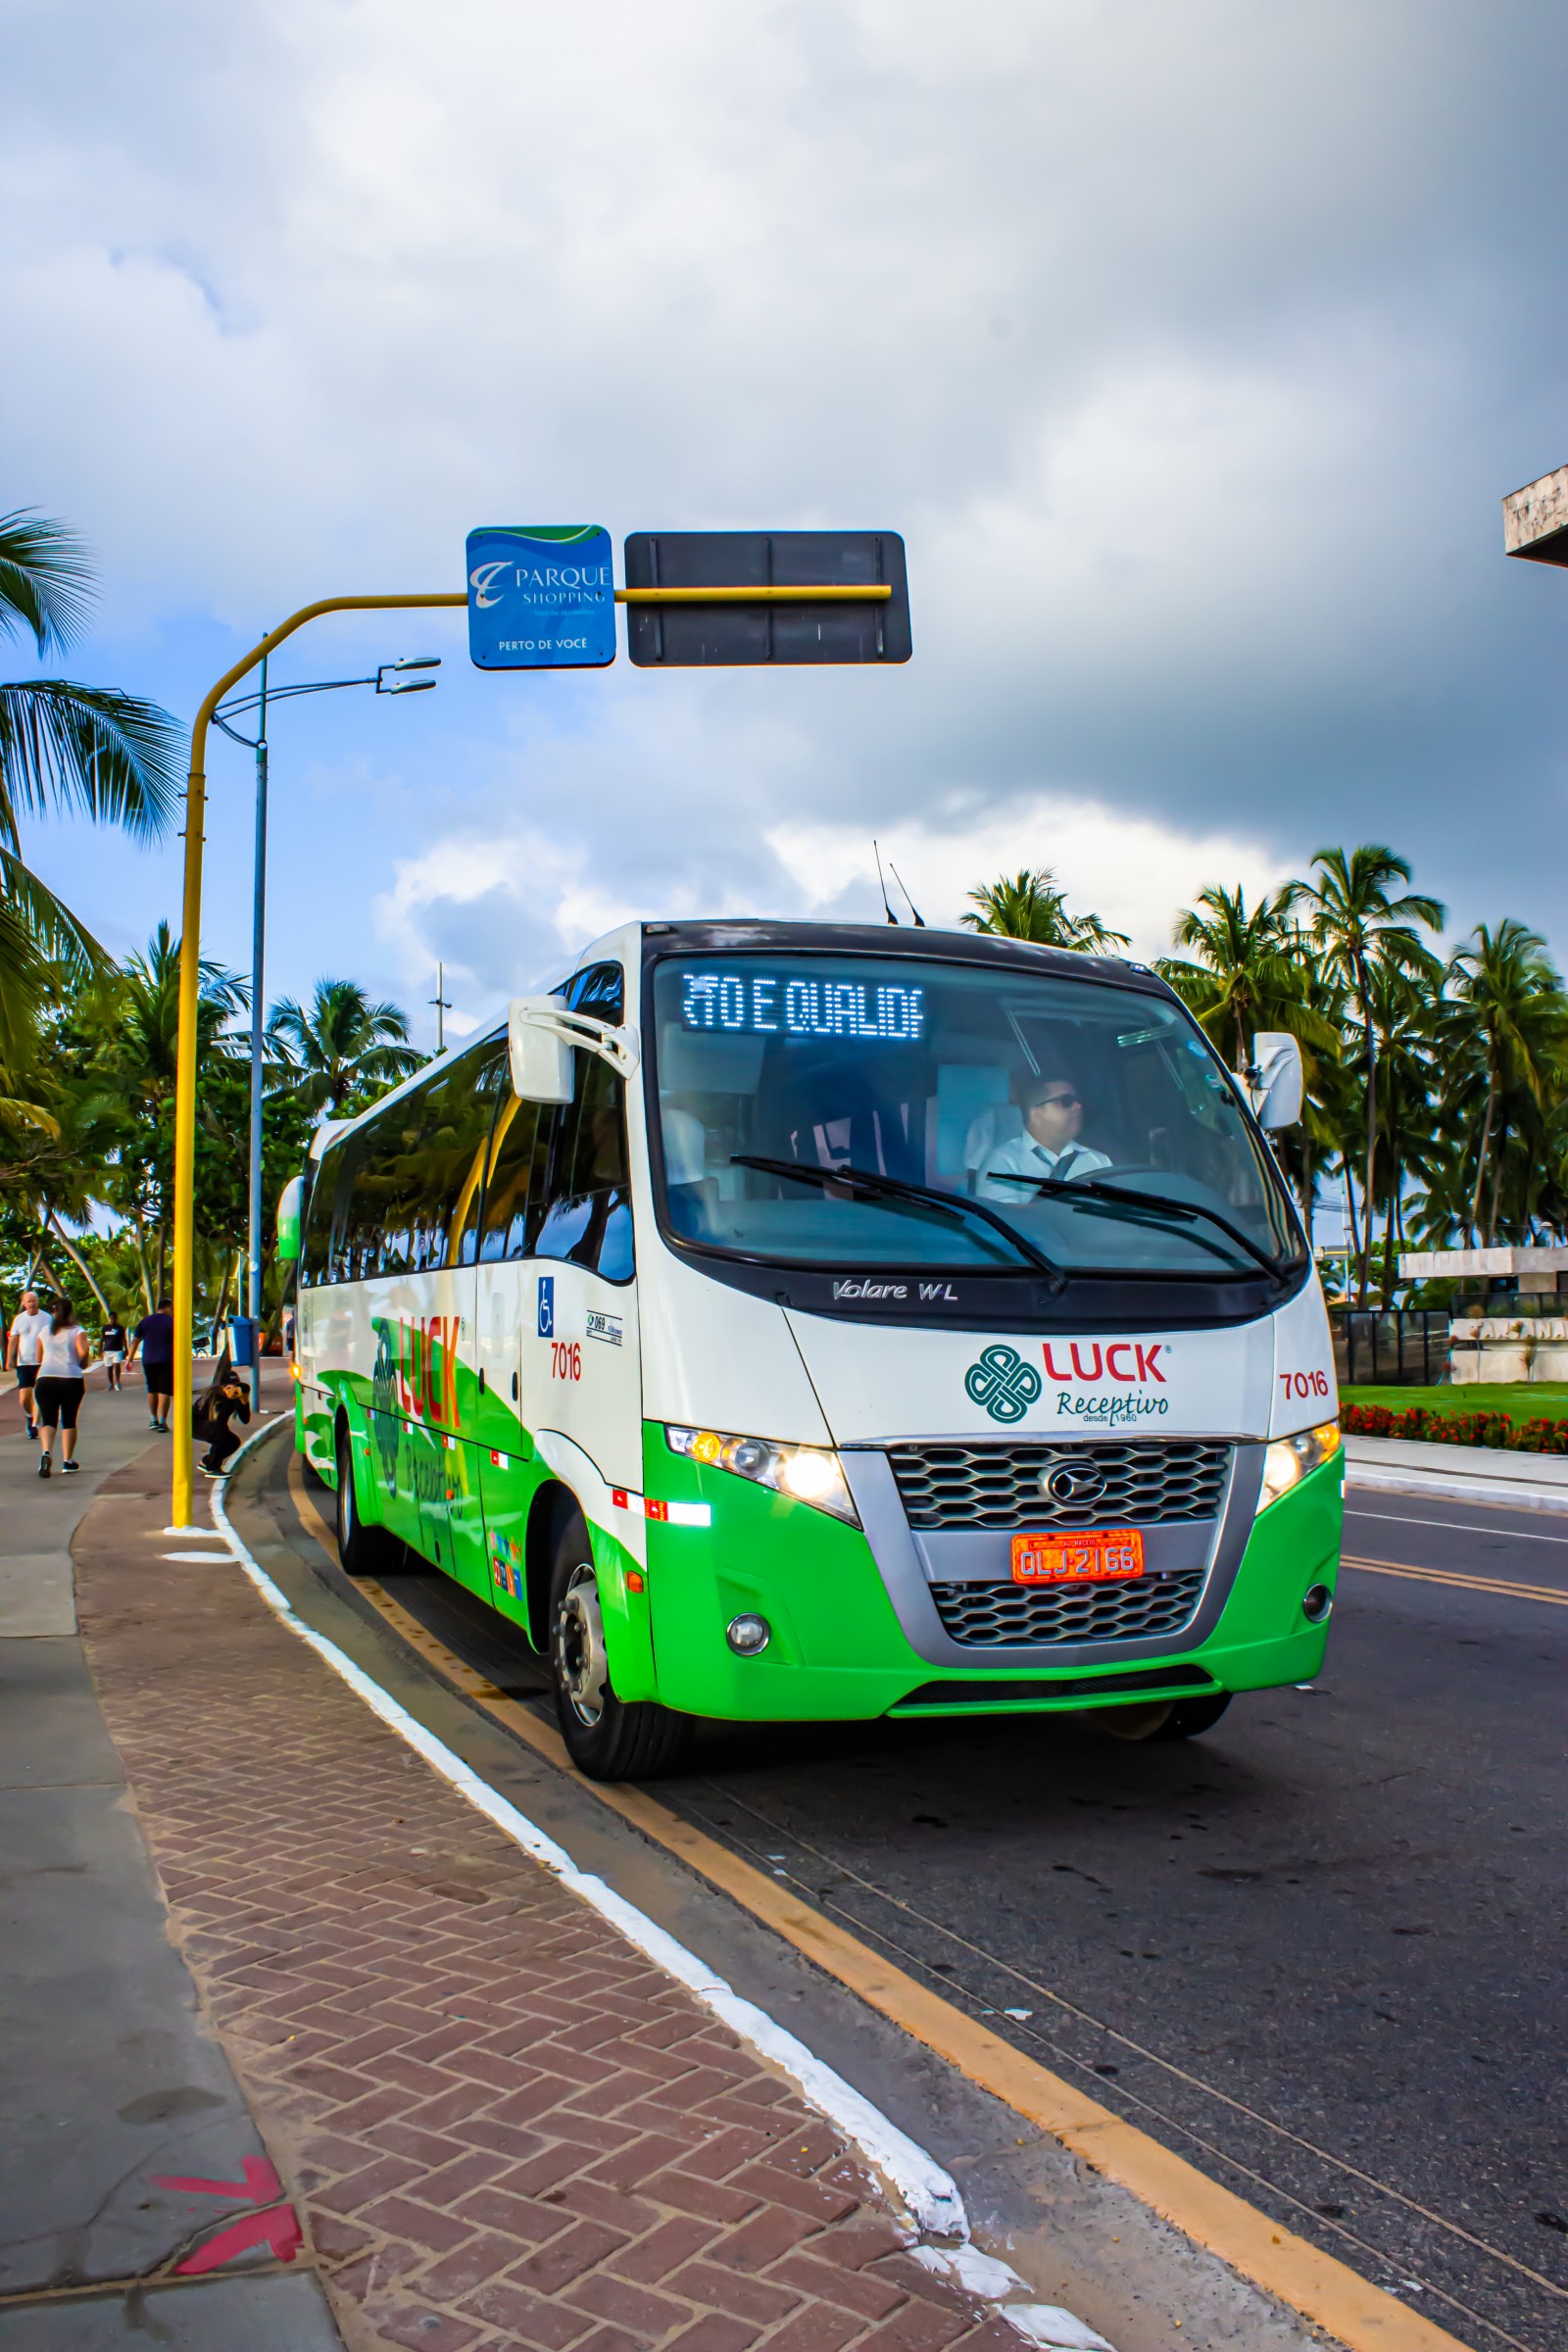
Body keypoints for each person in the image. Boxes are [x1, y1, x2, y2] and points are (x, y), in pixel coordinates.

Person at [976, 1071, 1112, 1202]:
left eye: (1078, 1100)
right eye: (1066, 1101)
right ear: (1036, 1114)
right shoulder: (1003, 1164)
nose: (1078, 1106)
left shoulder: (1099, 1162)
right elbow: (1004, 1217)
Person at [34, 1296, 90, 1478]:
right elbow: (83, 1355)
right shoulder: (78, 1331)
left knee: (48, 1420)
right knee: (69, 1420)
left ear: (53, 1312)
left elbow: (37, 1357)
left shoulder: (44, 1331)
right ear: (70, 1312)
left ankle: (46, 1452)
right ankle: (67, 1461)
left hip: (45, 1379)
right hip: (71, 1378)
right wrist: (82, 1360)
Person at [7, 1287, 52, 1442]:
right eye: (29, 1301)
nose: (32, 1304)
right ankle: (29, 1415)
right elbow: (13, 1340)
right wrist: (10, 1359)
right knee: (24, 1398)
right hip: (24, 1363)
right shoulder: (19, 1319)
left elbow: (53, 1338)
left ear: (38, 1301)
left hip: (43, 1362)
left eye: (34, 1301)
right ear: (24, 1303)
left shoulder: (47, 1318)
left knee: (39, 1394)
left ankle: (35, 1424)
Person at [127, 1298, 174, 1431]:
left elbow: (135, 1341)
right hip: (166, 1359)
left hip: (148, 1360)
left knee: (152, 1389)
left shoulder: (145, 1321)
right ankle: (162, 1423)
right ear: (167, 1307)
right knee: (164, 1390)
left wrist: (129, 1359)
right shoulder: (171, 1321)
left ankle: (154, 1420)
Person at [198, 1364, 251, 1476]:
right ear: (222, 1387)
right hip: (195, 1425)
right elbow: (217, 1420)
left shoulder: (236, 1397)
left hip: (214, 1426)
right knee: (221, 1435)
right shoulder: (214, 1397)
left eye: (236, 1386)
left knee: (233, 1442)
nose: (233, 1389)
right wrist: (227, 1400)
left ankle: (206, 1462)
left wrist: (244, 1401)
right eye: (229, 1387)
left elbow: (245, 1420)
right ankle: (213, 1468)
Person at [100, 1312, 127, 1392]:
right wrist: (100, 1349)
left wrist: (126, 1349)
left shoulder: (120, 1328)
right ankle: (111, 1384)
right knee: (109, 1367)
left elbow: (123, 1339)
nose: (113, 1319)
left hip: (118, 1350)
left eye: (114, 1318)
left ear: (116, 1318)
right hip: (107, 1350)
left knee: (116, 1365)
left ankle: (118, 1382)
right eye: (111, 1318)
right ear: (109, 1318)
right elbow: (102, 1339)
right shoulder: (105, 1328)